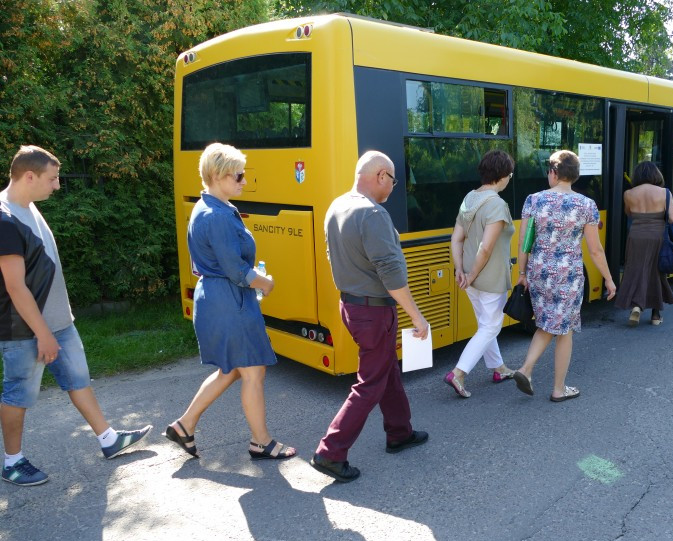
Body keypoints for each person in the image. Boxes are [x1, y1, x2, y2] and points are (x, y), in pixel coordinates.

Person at [0, 146, 151, 486]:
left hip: (58, 322)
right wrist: (43, 334)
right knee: (18, 394)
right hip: (24, 329)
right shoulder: (5, 219)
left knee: (78, 378)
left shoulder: (29, 206)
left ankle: (108, 439)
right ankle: (12, 463)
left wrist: (56, 325)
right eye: (52, 179)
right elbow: (15, 287)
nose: (57, 185)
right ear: (29, 176)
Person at [164, 143, 295, 461]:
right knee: (253, 372)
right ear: (218, 175)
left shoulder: (208, 207)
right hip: (230, 301)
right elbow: (236, 270)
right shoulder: (217, 215)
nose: (244, 181)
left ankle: (184, 425)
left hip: (220, 298)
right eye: (238, 176)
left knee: (233, 370)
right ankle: (261, 442)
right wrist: (266, 282)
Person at [310, 151, 430, 483]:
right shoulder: (373, 214)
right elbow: (391, 273)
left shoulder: (337, 206)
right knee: (370, 382)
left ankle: (399, 432)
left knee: (386, 369)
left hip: (351, 305)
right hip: (374, 311)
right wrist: (417, 317)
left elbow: (335, 256)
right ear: (380, 176)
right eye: (393, 180)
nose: (393, 187)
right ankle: (330, 452)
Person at [512, 150, 616, 402]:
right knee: (564, 328)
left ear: (554, 173)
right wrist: (609, 278)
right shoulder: (586, 205)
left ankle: (527, 369)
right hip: (568, 274)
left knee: (547, 322)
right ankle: (556, 388)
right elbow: (595, 249)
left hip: (539, 271)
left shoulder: (534, 200)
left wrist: (522, 273)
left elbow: (525, 242)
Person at [444, 150, 517, 398]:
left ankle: (498, 368)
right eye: (510, 175)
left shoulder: (469, 198)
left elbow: (456, 239)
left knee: (486, 324)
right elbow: (485, 248)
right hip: (489, 277)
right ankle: (459, 373)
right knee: (491, 326)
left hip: (468, 275)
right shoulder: (497, 204)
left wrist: (461, 270)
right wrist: (473, 274)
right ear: (502, 175)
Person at [615, 161, 673, 326]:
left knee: (636, 270)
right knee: (657, 272)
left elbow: (629, 213)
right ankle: (655, 315)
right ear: (656, 175)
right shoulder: (664, 193)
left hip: (636, 236)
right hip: (657, 236)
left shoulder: (628, 193)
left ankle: (636, 306)